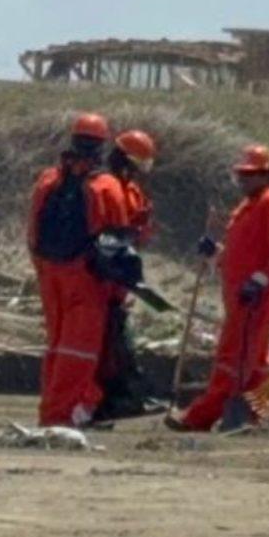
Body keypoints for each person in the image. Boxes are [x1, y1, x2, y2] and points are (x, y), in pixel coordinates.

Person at [168, 145, 269, 432]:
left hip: (253, 298)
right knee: (253, 361)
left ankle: (200, 417)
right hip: (242, 296)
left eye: (250, 175)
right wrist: (216, 252)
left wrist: (260, 281)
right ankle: (256, 416)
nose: (243, 180)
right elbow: (242, 255)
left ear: (267, 175)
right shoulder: (249, 206)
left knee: (233, 360)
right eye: (241, 174)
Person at [29, 113, 131, 427]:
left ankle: (58, 408)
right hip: (86, 278)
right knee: (80, 350)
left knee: (57, 346)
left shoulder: (49, 179)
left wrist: (43, 270)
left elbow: (33, 232)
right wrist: (118, 291)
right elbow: (118, 244)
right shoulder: (106, 186)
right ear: (102, 146)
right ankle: (63, 414)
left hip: (51, 275)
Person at [93, 129, 161, 421]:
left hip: (120, 272)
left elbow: (137, 231)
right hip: (105, 272)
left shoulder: (131, 191)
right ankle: (119, 396)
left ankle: (127, 394)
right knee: (111, 338)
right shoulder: (106, 187)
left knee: (117, 335)